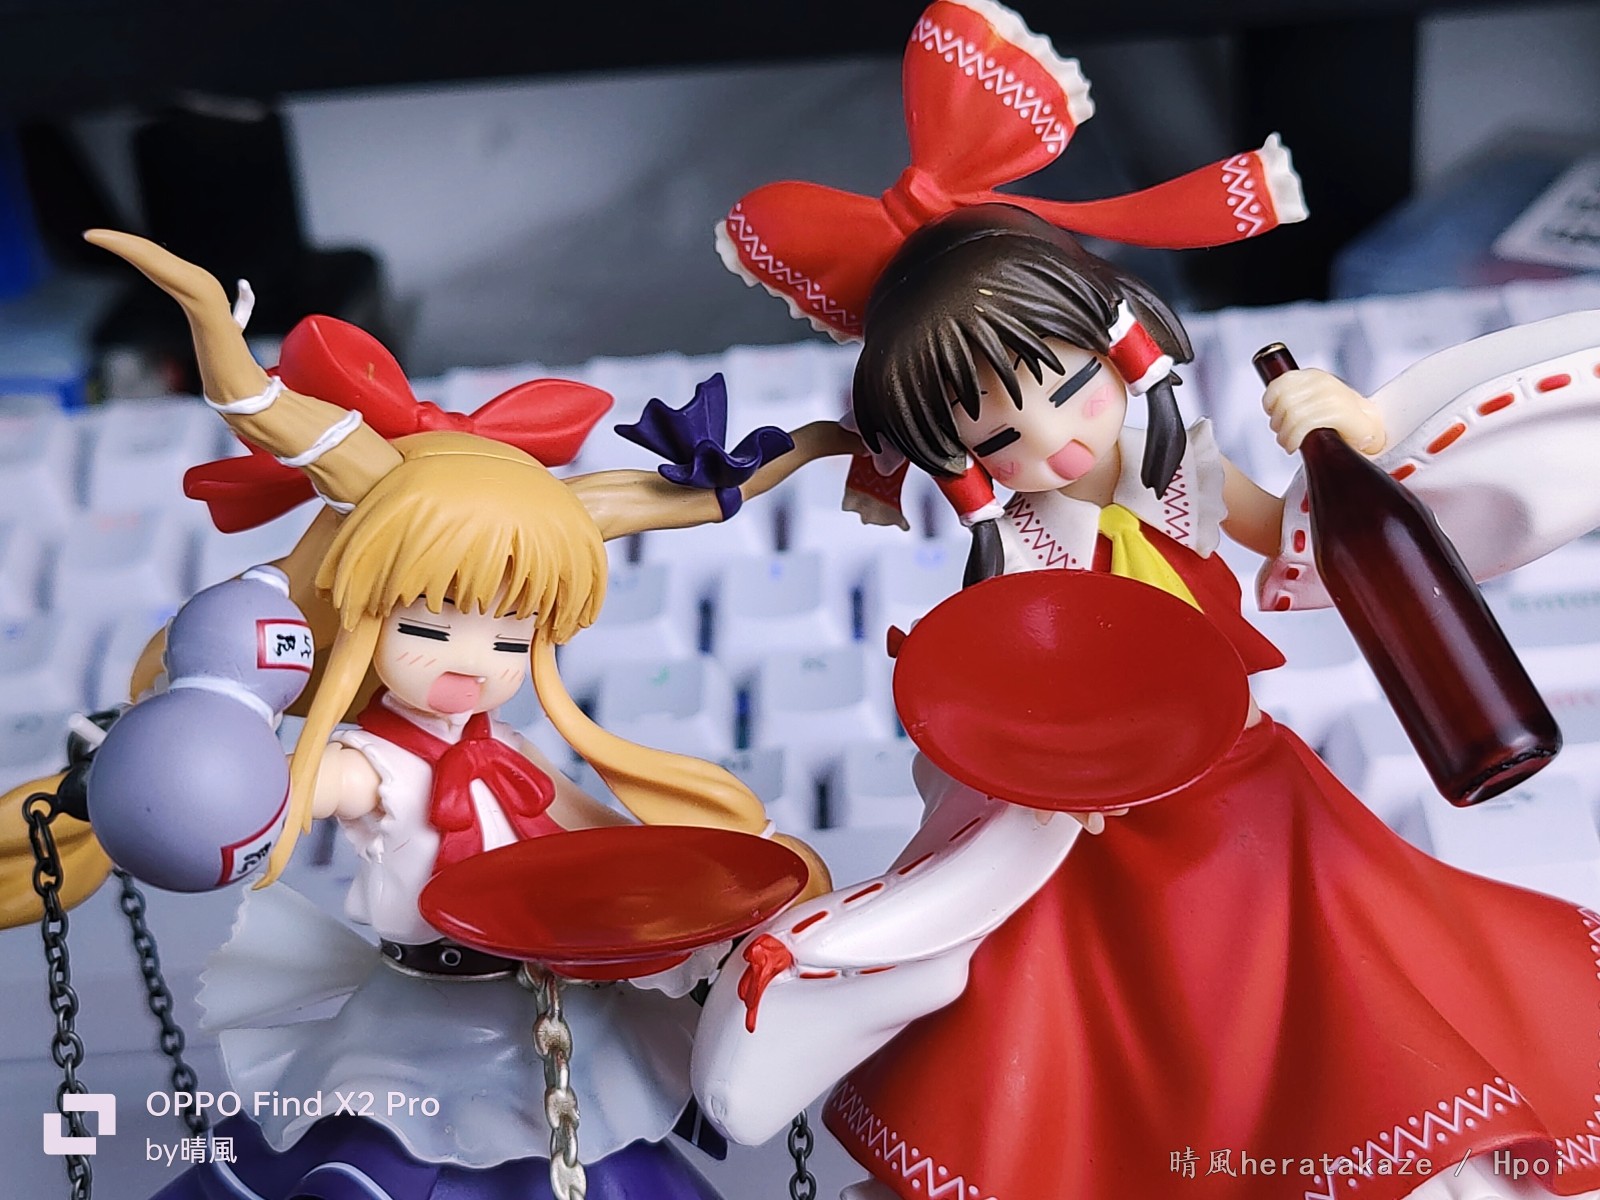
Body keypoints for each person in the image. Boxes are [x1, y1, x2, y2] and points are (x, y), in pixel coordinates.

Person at [689, 4, 1600, 1200]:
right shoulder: (1016, 553)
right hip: (1093, 833)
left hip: (1247, 785)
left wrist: (1350, 428)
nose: (1053, 442)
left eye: (1069, 389)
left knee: (1341, 971)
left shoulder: (1181, 478)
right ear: (957, 461)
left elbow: (1304, 537)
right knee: (1097, 1033)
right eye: (999, 436)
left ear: (1123, 349)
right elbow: (994, 701)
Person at [80, 230, 855, 1200]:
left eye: (509, 639)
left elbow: (592, 838)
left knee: (605, 1163)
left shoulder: (514, 749)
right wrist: (208, 758)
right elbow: (282, 799)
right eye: (427, 628)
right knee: (393, 1165)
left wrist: (702, 901)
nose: (469, 664)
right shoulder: (371, 761)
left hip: (550, 1006)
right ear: (367, 612)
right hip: (425, 1016)